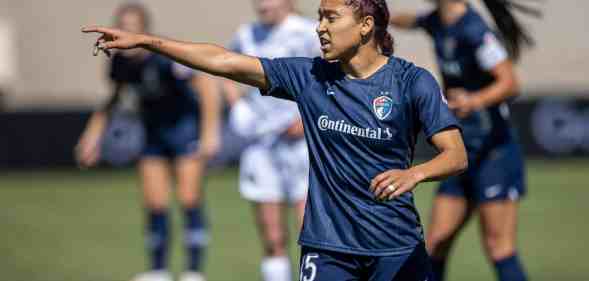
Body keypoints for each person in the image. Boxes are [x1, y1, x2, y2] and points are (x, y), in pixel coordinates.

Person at [82, 0, 468, 279]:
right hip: (328, 248)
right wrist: (150, 42)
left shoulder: (411, 81)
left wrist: (413, 174)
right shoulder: (309, 77)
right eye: (319, 17)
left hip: (396, 245)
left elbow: (455, 156)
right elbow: (224, 61)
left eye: (331, 17)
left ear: (366, 25)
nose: (320, 27)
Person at [390, 1, 539, 281]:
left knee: (499, 247)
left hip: (494, 152)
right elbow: (408, 21)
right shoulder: (437, 20)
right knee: (434, 243)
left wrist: (474, 100)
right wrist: (376, 16)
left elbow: (510, 82)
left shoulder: (474, 29)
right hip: (461, 152)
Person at [75, 3, 221, 281]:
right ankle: (158, 270)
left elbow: (205, 86)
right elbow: (113, 98)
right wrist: (91, 137)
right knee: (155, 202)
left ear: (144, 29)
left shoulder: (164, 56)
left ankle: (193, 270)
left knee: (189, 198)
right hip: (153, 133)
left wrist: (210, 132)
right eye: (123, 25)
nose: (126, 31)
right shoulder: (119, 61)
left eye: (133, 26)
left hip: (184, 130)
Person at [222, 1, 320, 280]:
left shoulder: (308, 32)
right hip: (262, 146)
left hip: (305, 146)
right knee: (273, 236)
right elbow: (225, 71)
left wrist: (308, 118)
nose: (264, 4)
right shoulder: (247, 34)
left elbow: (334, 77)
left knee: (310, 234)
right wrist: (236, 106)